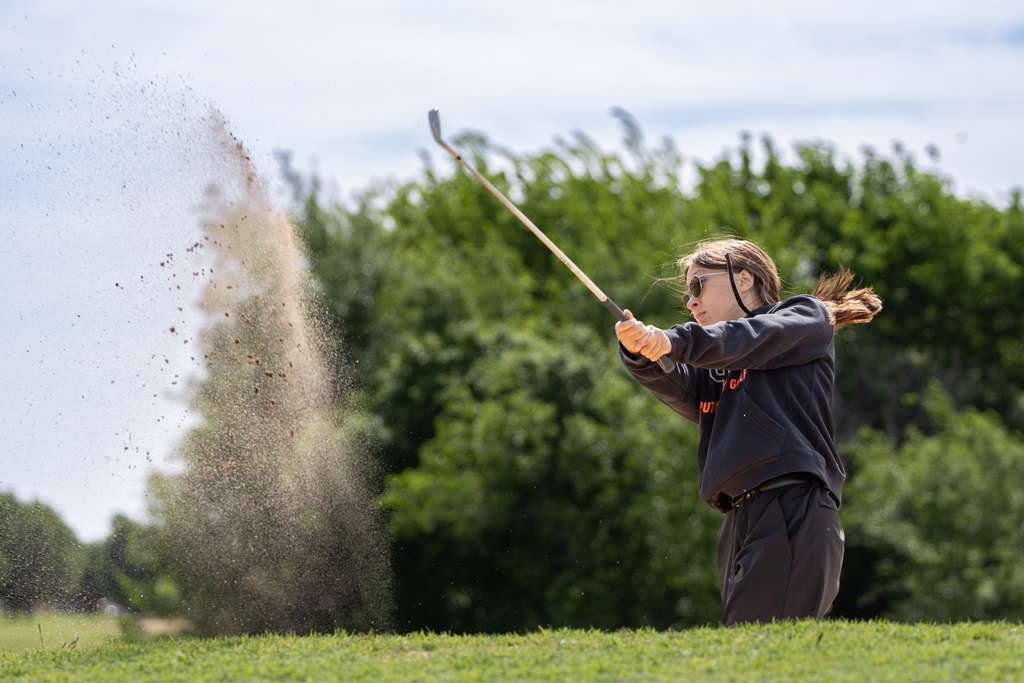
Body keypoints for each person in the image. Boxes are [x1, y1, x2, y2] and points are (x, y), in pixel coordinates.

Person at [614, 238, 881, 625]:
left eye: (697, 285)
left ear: (743, 279)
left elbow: (750, 338)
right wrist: (642, 352)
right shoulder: (720, 365)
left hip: (790, 504)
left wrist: (674, 340)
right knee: (747, 652)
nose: (690, 302)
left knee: (756, 654)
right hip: (739, 516)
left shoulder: (804, 315)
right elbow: (686, 388)